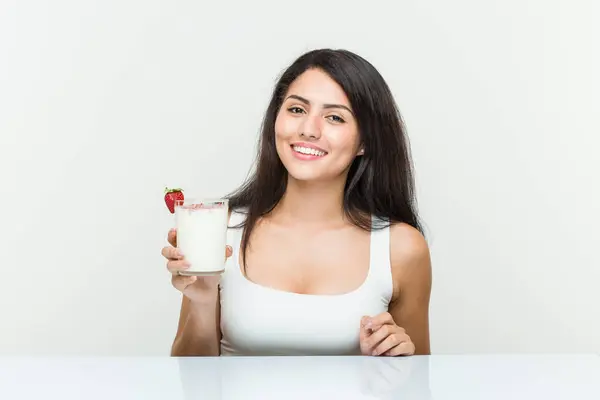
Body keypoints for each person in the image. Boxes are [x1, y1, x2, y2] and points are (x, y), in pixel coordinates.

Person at [161, 48, 432, 357]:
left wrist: (398, 358)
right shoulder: (221, 229)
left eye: (334, 117)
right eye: (297, 110)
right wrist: (203, 300)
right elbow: (190, 380)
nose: (308, 129)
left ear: (365, 142)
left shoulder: (402, 249)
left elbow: (417, 384)